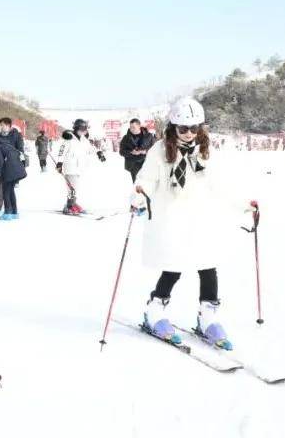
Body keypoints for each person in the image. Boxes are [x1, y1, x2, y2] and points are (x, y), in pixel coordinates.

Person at [132, 98, 253, 350]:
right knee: (172, 266)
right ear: (172, 127)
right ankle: (155, 313)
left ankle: (208, 318)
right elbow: (146, 179)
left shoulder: (205, 151)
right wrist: (139, 195)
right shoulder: (159, 151)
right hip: (171, 218)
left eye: (194, 128)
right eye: (183, 129)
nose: (189, 134)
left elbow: (220, 185)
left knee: (208, 266)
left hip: (200, 218)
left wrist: (243, 204)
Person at [56, 118, 106, 214]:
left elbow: (91, 148)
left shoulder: (83, 140)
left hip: (79, 167)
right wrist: (59, 163)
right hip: (70, 167)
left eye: (85, 129)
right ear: (77, 128)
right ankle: (69, 206)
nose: (84, 131)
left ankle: (72, 204)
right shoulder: (69, 139)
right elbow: (61, 152)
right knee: (72, 188)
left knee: (74, 188)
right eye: (83, 129)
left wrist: (99, 153)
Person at [0, 118, 27, 220]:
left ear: (9, 125)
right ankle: (12, 211)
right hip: (10, 167)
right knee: (8, 190)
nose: (1, 127)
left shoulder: (14, 136)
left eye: (3, 125)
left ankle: (8, 212)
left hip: (10, 166)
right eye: (0, 125)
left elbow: (19, 151)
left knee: (6, 190)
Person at [118, 118, 156, 183]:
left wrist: (145, 151)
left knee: (148, 185)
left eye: (133, 127)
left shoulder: (149, 136)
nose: (131, 129)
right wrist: (131, 152)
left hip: (147, 164)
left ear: (139, 126)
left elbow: (154, 149)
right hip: (132, 166)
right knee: (136, 186)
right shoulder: (126, 138)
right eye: (130, 127)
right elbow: (121, 152)